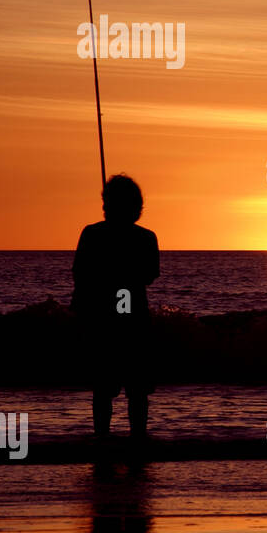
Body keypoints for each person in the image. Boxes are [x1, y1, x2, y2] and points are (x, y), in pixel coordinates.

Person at [72, 174, 160, 439]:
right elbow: (150, 275)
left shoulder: (93, 234)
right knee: (136, 389)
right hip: (133, 320)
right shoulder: (146, 238)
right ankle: (137, 440)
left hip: (102, 320)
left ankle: (103, 440)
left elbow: (80, 274)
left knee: (105, 388)